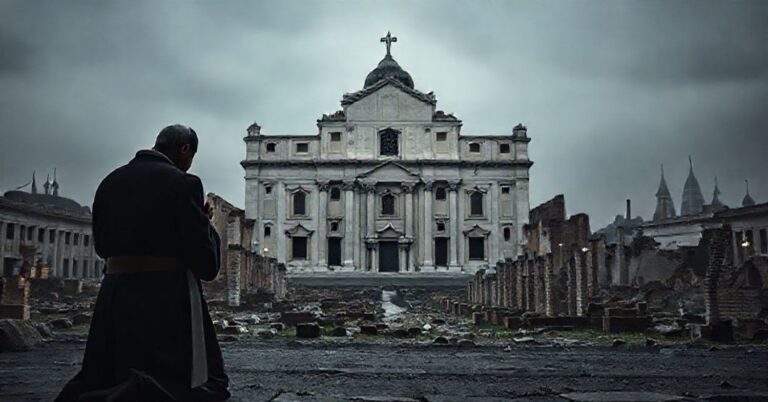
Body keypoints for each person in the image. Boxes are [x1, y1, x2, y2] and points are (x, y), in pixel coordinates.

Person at [57, 124, 230, 401]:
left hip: (114, 295)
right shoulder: (185, 183)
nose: (188, 165)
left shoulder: (109, 181)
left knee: (111, 370)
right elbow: (207, 263)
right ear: (185, 149)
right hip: (166, 298)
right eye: (191, 157)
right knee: (190, 382)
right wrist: (206, 223)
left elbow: (102, 247)